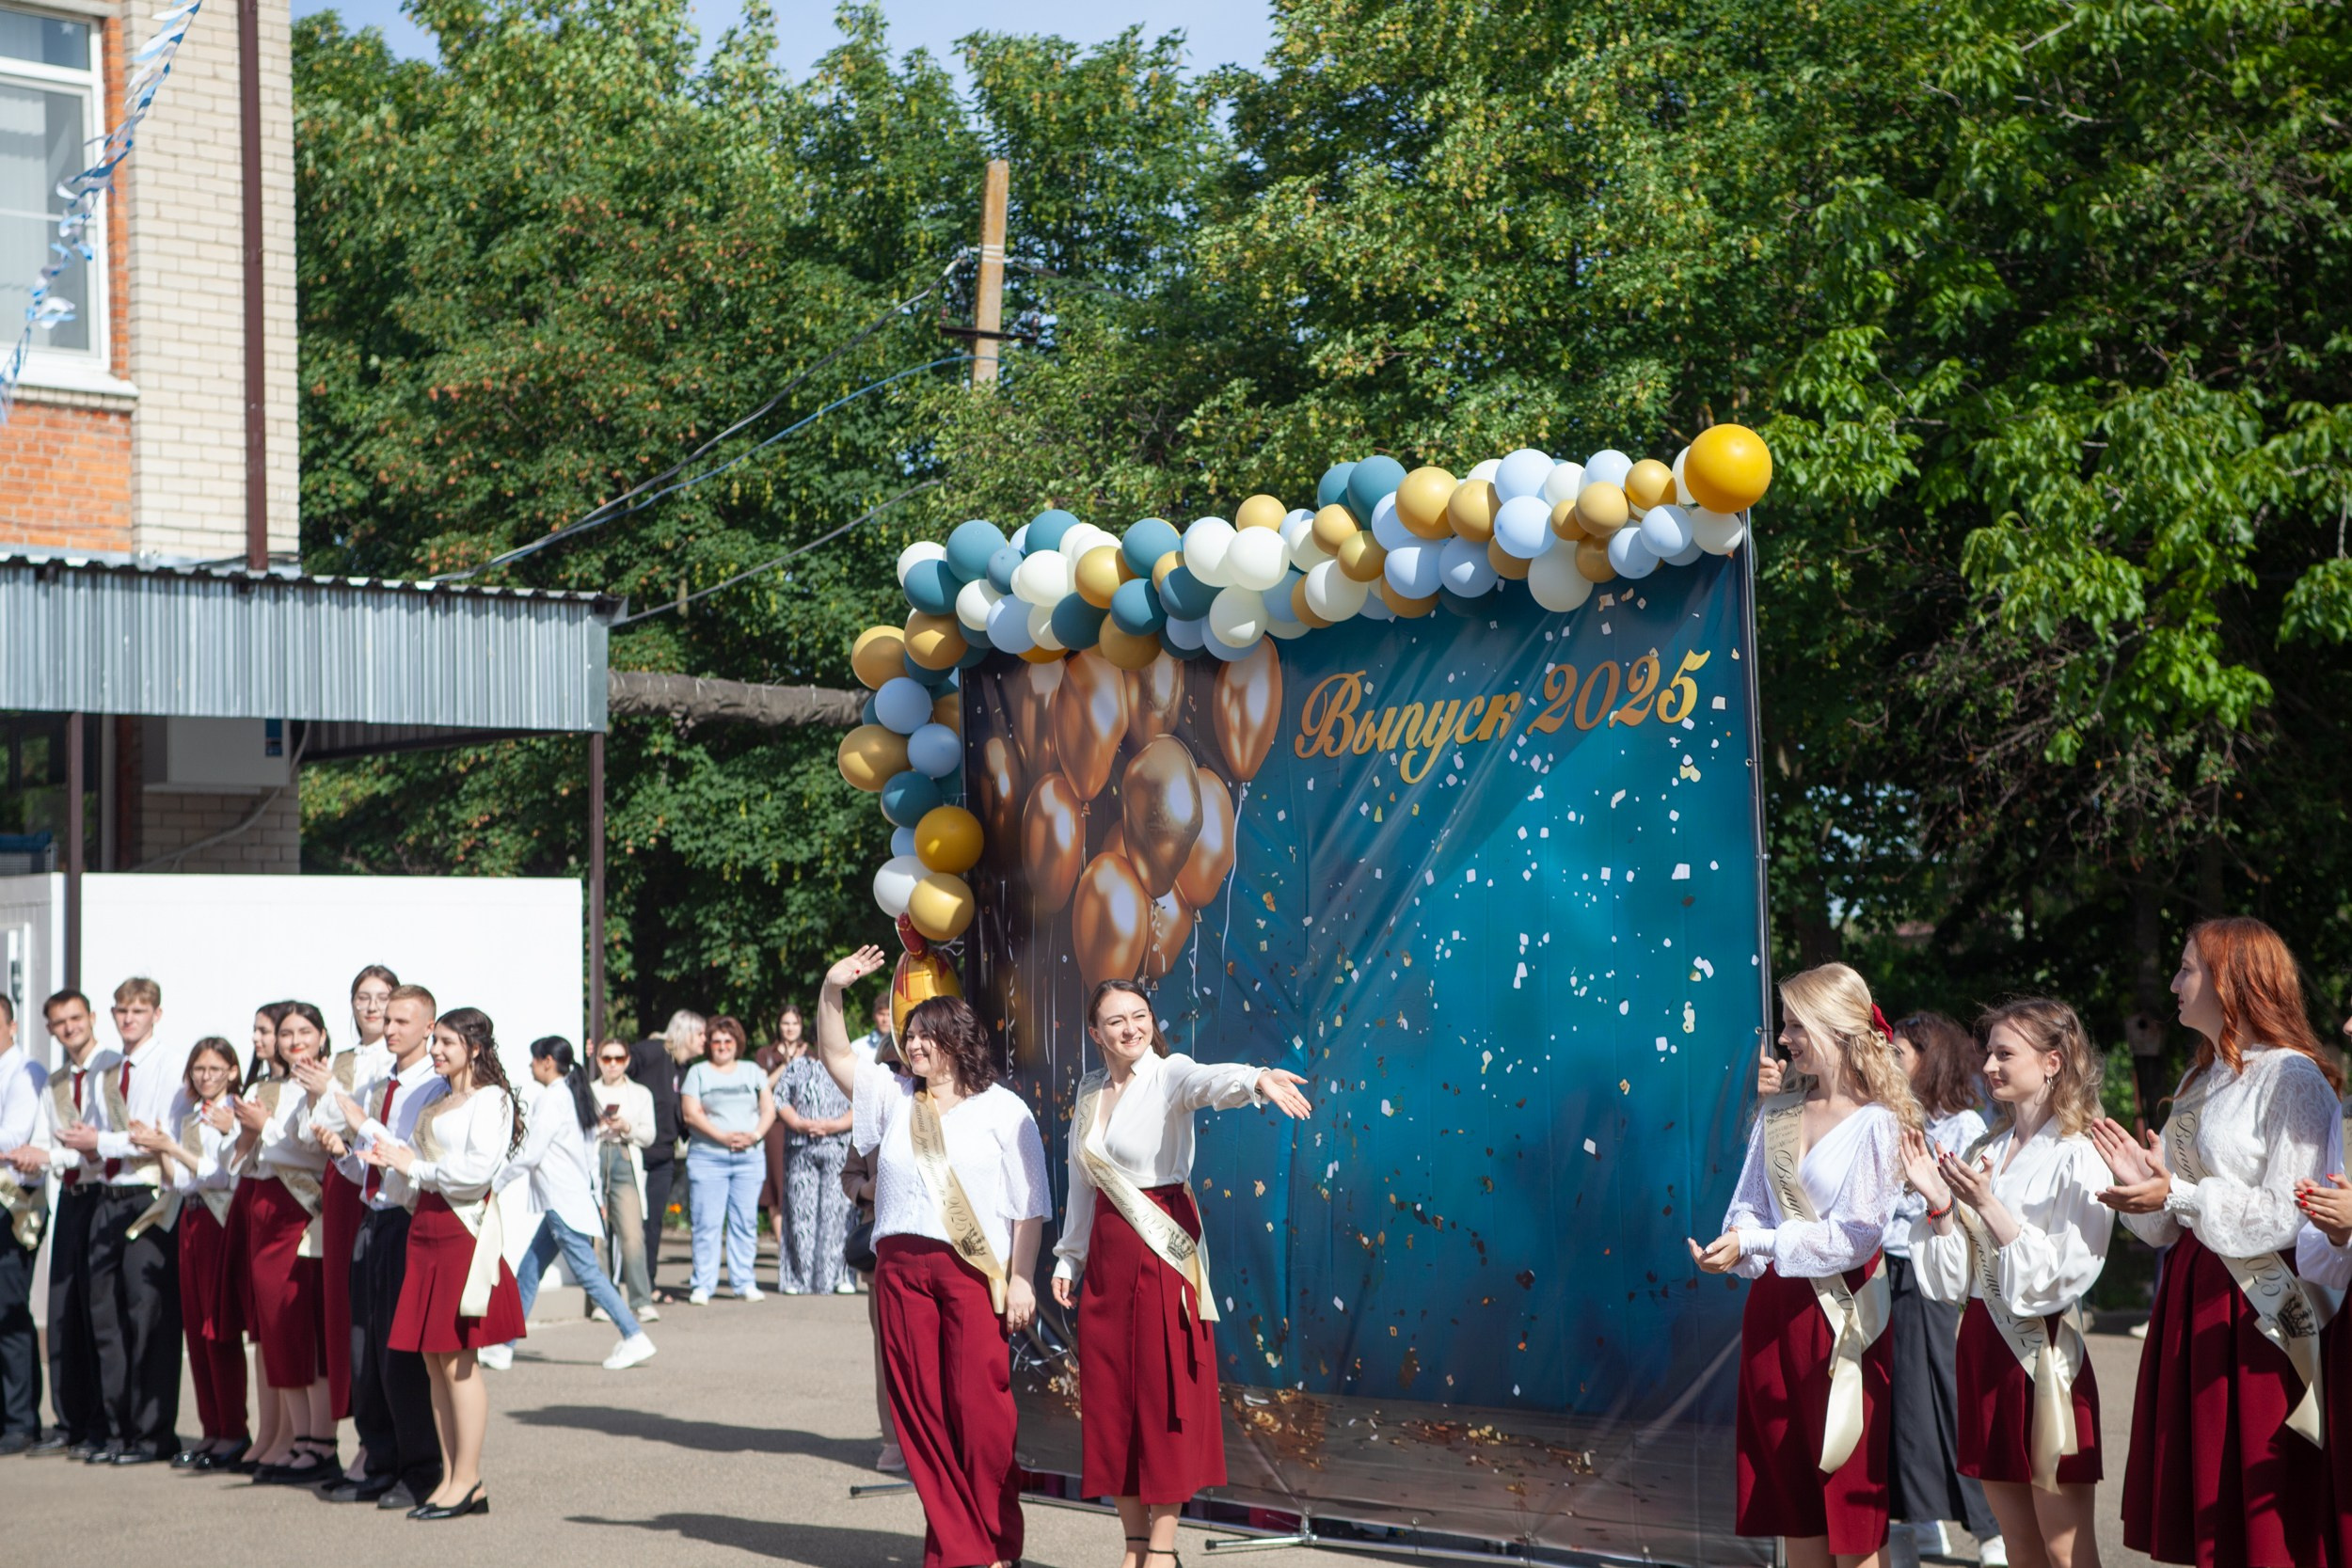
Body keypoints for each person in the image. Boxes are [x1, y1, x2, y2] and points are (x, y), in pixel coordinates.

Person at [2098, 917, 2341, 1566]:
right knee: (2207, 1510)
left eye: (2187, 969)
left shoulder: (2291, 1076)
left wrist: (2178, 1194)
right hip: (2192, 1293)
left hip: (2260, 1310)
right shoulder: (2197, 1082)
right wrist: (2142, 1189)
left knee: (2263, 1517)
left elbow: (2290, 1210)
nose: (2175, 983)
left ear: (2231, 979)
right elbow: (2169, 1223)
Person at [1052, 979, 1313, 1568]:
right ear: (1096, 1034)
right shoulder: (1090, 1091)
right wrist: (1069, 1255)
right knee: (1112, 1395)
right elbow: (1080, 1182)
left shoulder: (1168, 1072)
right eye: (1115, 1021)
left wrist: (1254, 1080)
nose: (1130, 1029)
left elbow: (1206, 1082)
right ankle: (1133, 1545)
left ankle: (1163, 1551)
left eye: (1139, 1016)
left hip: (1162, 1247)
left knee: (1165, 1391)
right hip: (1107, 1254)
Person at [818, 944, 1050, 1568]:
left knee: (982, 1414)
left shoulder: (1004, 1109)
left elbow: (1031, 1204)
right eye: (909, 1035)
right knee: (920, 1413)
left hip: (973, 1272)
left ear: (958, 1041)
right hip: (899, 1269)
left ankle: (994, 1540)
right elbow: (837, 1053)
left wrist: (1023, 1276)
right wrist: (832, 989)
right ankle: (960, 1551)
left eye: (926, 1036)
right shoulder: (893, 1096)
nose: (913, 1045)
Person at [1692, 961, 1913, 1568]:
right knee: (1791, 1499)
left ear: (1838, 1029)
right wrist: (1731, 1244)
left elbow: (1857, 1238)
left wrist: (1758, 1244)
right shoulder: (1782, 1109)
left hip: (1840, 1319)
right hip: (1774, 1314)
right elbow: (1748, 1205)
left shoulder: (1879, 1121)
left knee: (1849, 1503)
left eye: (1795, 1026)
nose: (1783, 1039)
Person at [1903, 1000, 2112, 1568]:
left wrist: (1987, 1203)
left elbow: (2066, 1272)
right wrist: (1940, 1204)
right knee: (2018, 1545)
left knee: (2065, 1548)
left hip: (2042, 1355)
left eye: (2005, 1053)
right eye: (1989, 1052)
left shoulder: (2081, 1154)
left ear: (2052, 1061)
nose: (1990, 1065)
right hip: (1983, 1347)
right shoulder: (1985, 1150)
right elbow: (1953, 1280)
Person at [367, 1006, 528, 1521]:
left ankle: (469, 1478)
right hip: (426, 1227)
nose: (435, 1050)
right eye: (434, 1041)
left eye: (446, 1043)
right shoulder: (437, 1099)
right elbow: (413, 1169)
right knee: (433, 1360)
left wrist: (417, 1167)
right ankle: (450, 1478)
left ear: (475, 1049)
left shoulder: (493, 1099)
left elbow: (477, 1171)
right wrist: (393, 1165)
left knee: (459, 1361)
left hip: (461, 1228)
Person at [308, 981, 445, 1508]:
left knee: (399, 1354)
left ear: (428, 1027)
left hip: (403, 1223)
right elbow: (368, 1163)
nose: (388, 1030)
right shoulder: (378, 1081)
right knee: (364, 1348)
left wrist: (360, 1124)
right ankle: (380, 1460)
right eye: (385, 1021)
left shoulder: (431, 1087)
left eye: (401, 1022)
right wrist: (342, 1151)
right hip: (372, 1217)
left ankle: (420, 1469)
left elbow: (405, 1155)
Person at [484, 1036, 657, 1370]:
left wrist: (496, 1184)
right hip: (566, 1201)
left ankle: (634, 1336)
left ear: (548, 1061)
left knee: (588, 1275)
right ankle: (503, 1346)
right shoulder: (575, 1095)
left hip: (562, 1203)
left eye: (534, 1060)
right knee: (530, 1270)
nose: (531, 1066)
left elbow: (533, 1153)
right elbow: (588, 1154)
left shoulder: (554, 1098)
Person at [231, 1000, 338, 1485]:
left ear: (321, 1036)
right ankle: (297, 1439)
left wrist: (263, 1128)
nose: (294, 1041)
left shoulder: (327, 1083)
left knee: (304, 1328)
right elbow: (247, 1156)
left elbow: (313, 1148)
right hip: (267, 1212)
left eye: (303, 1032)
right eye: (286, 1034)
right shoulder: (272, 1087)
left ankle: (322, 1442)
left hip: (302, 1215)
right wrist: (246, 1133)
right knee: (277, 1329)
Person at [12, 990, 120, 1461]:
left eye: (76, 1018)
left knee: (100, 1315)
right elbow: (40, 1136)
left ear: (92, 1018)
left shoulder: (113, 1068)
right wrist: (35, 1159)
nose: (69, 1028)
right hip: (71, 1197)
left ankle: (103, 1422)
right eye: (59, 1022)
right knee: (63, 1311)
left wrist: (50, 1155)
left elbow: (104, 1141)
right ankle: (71, 1420)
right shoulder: (56, 1080)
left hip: (105, 1193)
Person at [135, 1037, 247, 1470]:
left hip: (218, 1220)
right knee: (196, 1332)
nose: (206, 1077)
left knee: (218, 1327)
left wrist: (173, 1149)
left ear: (233, 1072)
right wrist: (162, 1149)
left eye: (216, 1069)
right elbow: (180, 1181)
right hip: (191, 1218)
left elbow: (220, 1175)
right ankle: (213, 1428)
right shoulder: (189, 1113)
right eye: (199, 1069)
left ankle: (233, 1429)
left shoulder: (235, 1113)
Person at [319, 962, 400, 1459]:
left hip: (383, 1182)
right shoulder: (344, 1061)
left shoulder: (401, 1064)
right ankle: (364, 1440)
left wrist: (346, 1113)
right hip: (349, 1174)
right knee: (350, 1318)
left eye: (381, 997)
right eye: (362, 998)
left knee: (377, 1325)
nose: (372, 1007)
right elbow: (323, 1120)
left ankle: (385, 1448)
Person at [680, 1015, 775, 1305]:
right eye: (717, 1041)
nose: (722, 1046)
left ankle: (744, 1281)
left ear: (737, 1043)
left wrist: (756, 1135)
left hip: (748, 1159)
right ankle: (703, 1285)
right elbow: (690, 1113)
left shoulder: (752, 1071)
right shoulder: (698, 1072)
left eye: (728, 1041)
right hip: (708, 1157)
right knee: (706, 1223)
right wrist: (722, 1137)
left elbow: (768, 1109)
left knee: (745, 1222)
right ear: (709, 1044)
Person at [775, 1006, 855, 1295]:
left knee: (837, 1213)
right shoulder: (797, 1066)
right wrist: (797, 1122)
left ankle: (836, 1277)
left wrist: (834, 1126)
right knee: (800, 1213)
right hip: (801, 1148)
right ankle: (799, 1278)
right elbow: (780, 1098)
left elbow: (862, 1104)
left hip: (837, 1148)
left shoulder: (851, 1067)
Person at [0, 992, 48, 1456]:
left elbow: (15, 1136)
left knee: (10, 1311)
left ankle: (20, 1420)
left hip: (12, 1204)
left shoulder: (24, 1070)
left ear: (12, 1025)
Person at [628, 1010, 703, 1297]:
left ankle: (647, 1283)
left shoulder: (685, 1069)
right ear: (684, 1032)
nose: (705, 1041)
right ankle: (623, 1283)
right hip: (636, 1149)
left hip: (663, 1156)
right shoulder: (654, 1051)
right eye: (701, 1034)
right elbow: (618, 1066)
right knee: (628, 1220)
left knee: (654, 1222)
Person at [590, 1039, 658, 1323]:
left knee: (632, 1234)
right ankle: (603, 1301)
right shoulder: (589, 1091)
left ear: (628, 1061)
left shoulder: (640, 1093)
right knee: (597, 1237)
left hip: (624, 1156)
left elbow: (649, 1135)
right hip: (595, 1159)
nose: (613, 1064)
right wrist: (598, 1127)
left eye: (618, 1058)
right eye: (607, 1058)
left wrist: (626, 1126)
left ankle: (641, 1299)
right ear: (599, 1061)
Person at [757, 1006, 804, 1264]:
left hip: (803, 1123)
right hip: (775, 1126)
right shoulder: (766, 1054)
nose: (789, 1028)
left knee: (800, 1186)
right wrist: (786, 1064)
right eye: (785, 1023)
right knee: (778, 1187)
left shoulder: (812, 1052)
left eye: (794, 1023)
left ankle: (801, 1247)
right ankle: (783, 1248)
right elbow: (762, 1087)